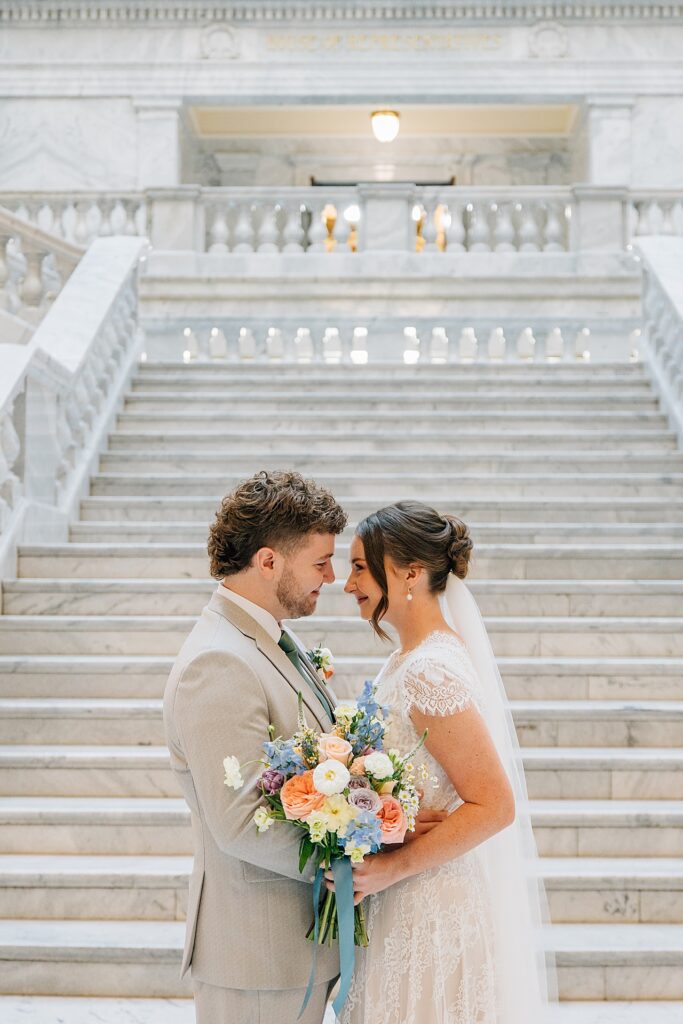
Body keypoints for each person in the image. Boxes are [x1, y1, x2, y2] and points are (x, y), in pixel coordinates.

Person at [335, 499, 557, 1024]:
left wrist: (392, 868)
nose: (348, 584)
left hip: (428, 904)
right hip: (401, 894)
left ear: (410, 573)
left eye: (361, 567)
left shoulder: (430, 671)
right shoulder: (404, 659)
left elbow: (496, 805)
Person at [163, 470, 348, 1024]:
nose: (332, 577)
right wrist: (355, 860)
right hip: (257, 958)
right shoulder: (217, 662)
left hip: (295, 948)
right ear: (269, 561)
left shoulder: (268, 635)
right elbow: (242, 819)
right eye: (320, 562)